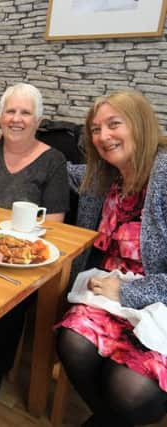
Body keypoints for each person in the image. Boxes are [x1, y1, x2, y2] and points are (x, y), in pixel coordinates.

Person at [56, 90, 167, 427]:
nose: (103, 136)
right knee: (72, 342)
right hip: (105, 292)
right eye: (95, 129)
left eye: (114, 124)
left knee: (132, 391)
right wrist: (19, 134)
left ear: (139, 125)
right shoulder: (103, 176)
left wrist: (128, 292)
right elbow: (61, 168)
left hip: (158, 299)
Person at [0, 83, 69, 410]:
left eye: (25, 113)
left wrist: (13, 247)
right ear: (0, 116)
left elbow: (56, 224)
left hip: (21, 257)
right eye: (10, 111)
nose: (16, 119)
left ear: (38, 120)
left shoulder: (53, 161)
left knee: (11, 298)